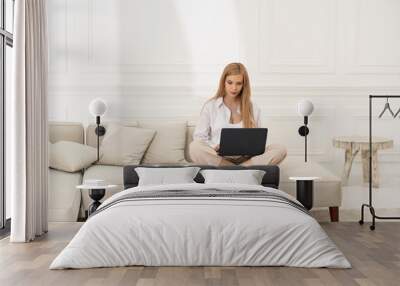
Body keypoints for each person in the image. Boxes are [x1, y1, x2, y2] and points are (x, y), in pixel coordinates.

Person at [189, 62, 287, 166]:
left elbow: (259, 140)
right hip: (219, 158)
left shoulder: (253, 107)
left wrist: (253, 149)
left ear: (244, 84)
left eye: (238, 83)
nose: (234, 88)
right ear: (223, 82)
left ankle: (239, 168)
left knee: (280, 149)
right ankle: (237, 170)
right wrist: (214, 147)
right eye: (230, 82)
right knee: (194, 147)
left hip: (247, 159)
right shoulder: (210, 106)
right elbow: (199, 137)